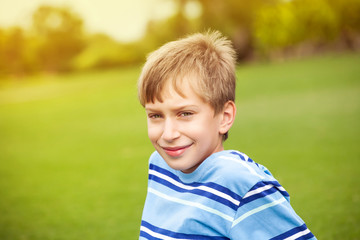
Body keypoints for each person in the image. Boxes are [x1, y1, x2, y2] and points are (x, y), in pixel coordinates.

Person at [137, 31, 316, 240]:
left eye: (185, 113)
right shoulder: (160, 166)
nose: (168, 134)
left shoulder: (240, 184)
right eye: (156, 115)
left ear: (224, 117)